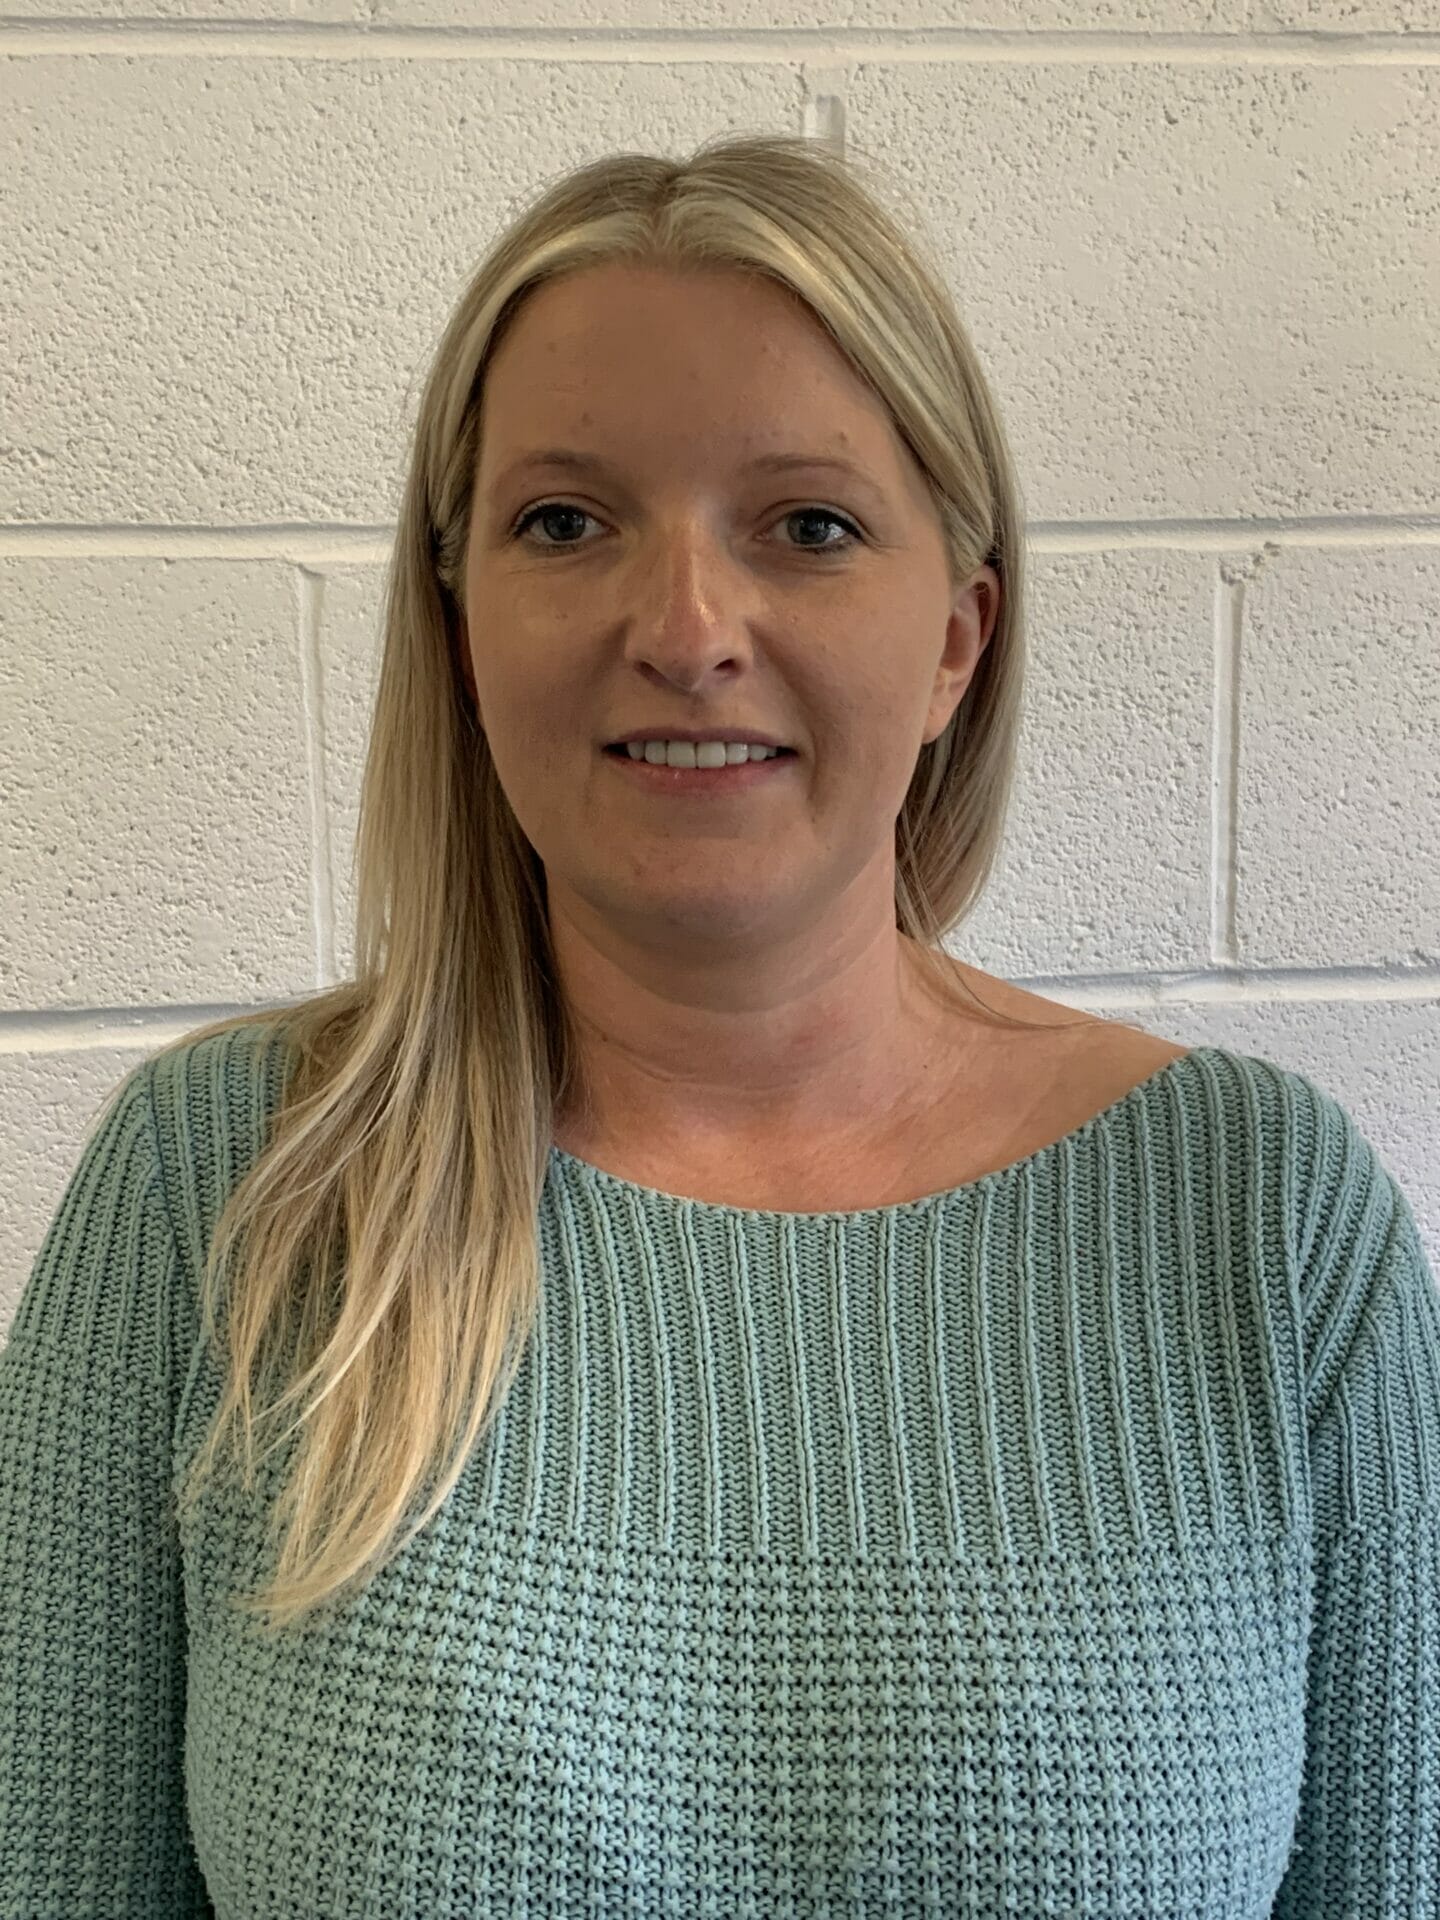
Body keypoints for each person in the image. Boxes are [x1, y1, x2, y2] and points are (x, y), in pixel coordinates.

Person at [1, 131, 1436, 1919]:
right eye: (565, 522)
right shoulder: (221, 1191)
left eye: (809, 527)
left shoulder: (1266, 1229)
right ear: (459, 625)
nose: (686, 629)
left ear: (956, 641)